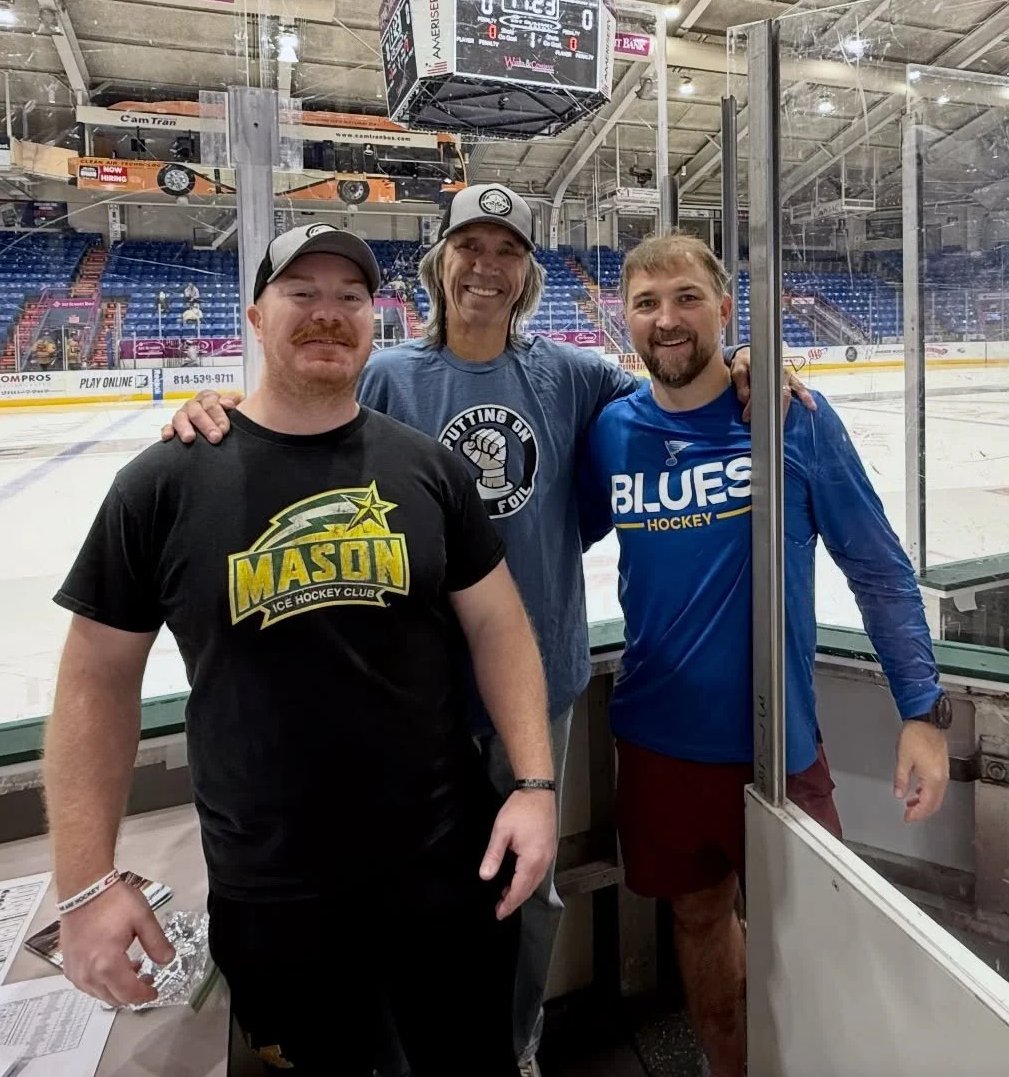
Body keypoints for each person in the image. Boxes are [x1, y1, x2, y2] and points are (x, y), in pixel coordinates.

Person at [165, 185, 811, 1077]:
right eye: (470, 246)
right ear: (440, 265)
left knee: (528, 894)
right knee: (420, 897)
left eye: (506, 251)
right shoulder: (390, 375)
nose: (487, 266)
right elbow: (298, 414)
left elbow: (675, 385)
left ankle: (517, 1049)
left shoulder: (573, 374)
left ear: (526, 276)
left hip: (534, 686)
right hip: (413, 699)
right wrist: (213, 409)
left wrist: (748, 365)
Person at [45, 224, 557, 1076]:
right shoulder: (163, 484)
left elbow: (499, 625)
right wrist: (86, 882)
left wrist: (535, 785)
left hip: (444, 869)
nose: (329, 314)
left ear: (375, 318)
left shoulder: (428, 472)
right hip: (273, 893)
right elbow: (95, 681)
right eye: (303, 294)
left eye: (350, 298)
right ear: (255, 316)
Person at [579, 234, 950, 1077]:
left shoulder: (790, 419)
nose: (667, 320)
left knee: (818, 947)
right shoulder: (610, 434)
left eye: (685, 299)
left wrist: (923, 712)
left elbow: (880, 569)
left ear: (723, 309)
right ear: (625, 319)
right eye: (646, 303)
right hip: (658, 744)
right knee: (698, 922)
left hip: (778, 748)